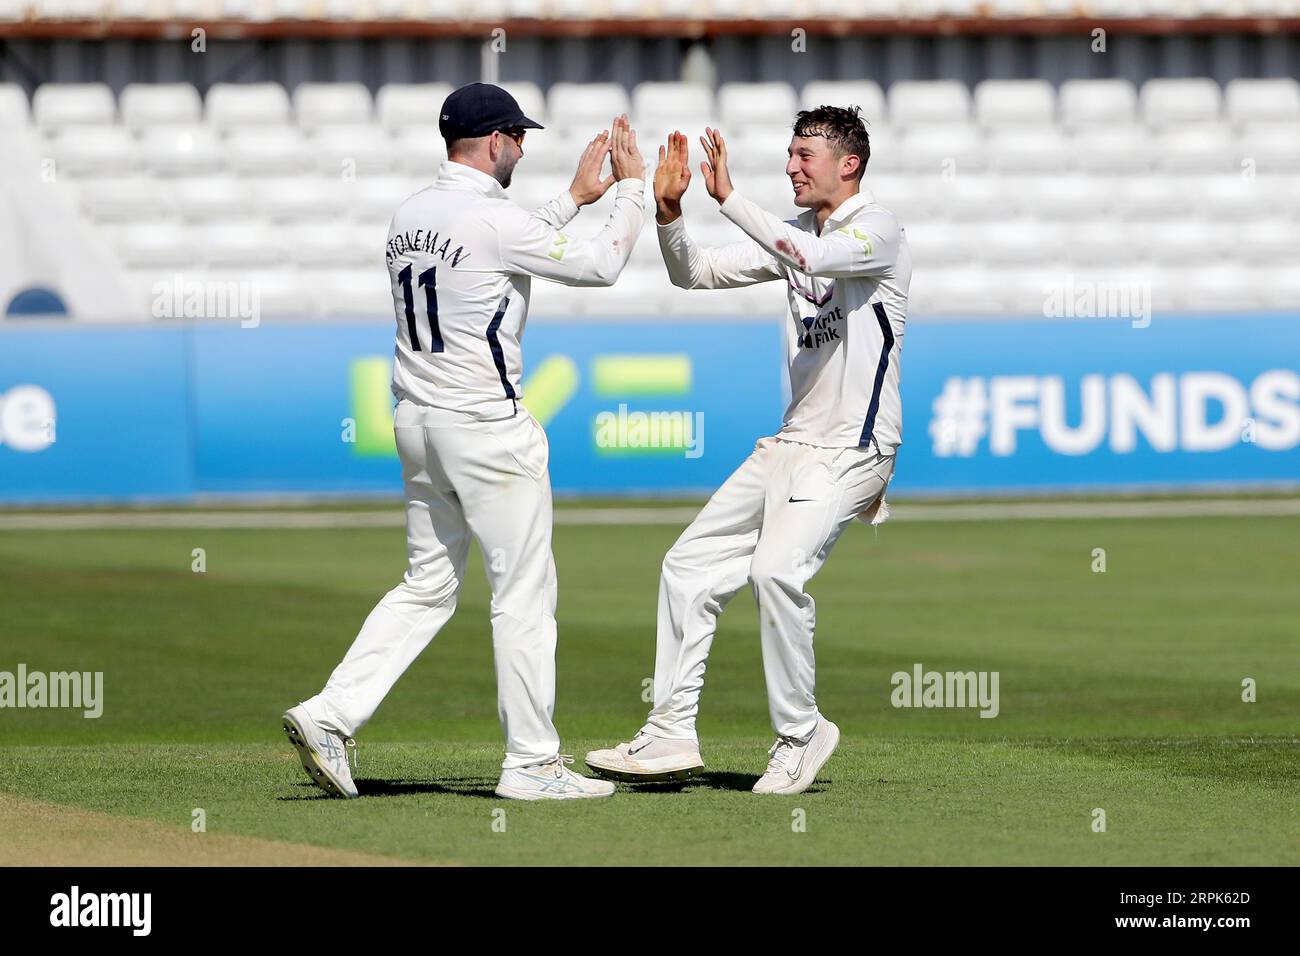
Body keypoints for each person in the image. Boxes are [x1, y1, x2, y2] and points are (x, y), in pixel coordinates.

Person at [284, 83, 647, 801]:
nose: (524, 149)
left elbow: (494, 244)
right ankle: (532, 764)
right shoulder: (492, 218)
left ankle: (330, 714)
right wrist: (630, 192)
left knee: (428, 585)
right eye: (519, 137)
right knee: (522, 594)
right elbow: (599, 266)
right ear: (496, 141)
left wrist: (574, 198)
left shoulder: (410, 213)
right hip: (485, 428)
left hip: (418, 424)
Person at [586, 106, 911, 796]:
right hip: (790, 442)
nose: (792, 167)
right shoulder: (794, 233)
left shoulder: (878, 231)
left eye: (804, 156)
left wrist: (729, 198)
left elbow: (813, 258)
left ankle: (801, 733)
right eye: (790, 154)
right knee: (687, 567)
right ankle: (670, 732)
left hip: (853, 448)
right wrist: (670, 215)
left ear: (849, 164)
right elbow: (695, 274)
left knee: (775, 572)